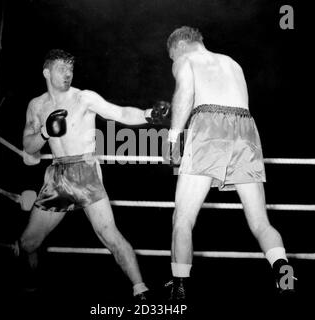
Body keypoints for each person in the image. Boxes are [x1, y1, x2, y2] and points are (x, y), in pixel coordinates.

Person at [20, 49, 169, 300]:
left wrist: (147, 114)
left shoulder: (84, 98)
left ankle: (141, 290)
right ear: (47, 72)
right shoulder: (36, 106)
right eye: (61, 69)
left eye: (71, 69)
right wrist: (46, 132)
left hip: (85, 171)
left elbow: (119, 113)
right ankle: (33, 282)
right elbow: (29, 146)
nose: (68, 74)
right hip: (57, 176)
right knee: (28, 243)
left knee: (109, 234)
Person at [163, 26, 295, 300]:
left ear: (178, 46)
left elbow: (185, 94)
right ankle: (284, 274)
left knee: (183, 218)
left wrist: (173, 138)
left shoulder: (186, 60)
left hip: (209, 126)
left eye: (171, 56)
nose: (173, 62)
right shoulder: (232, 63)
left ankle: (180, 289)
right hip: (246, 130)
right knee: (260, 222)